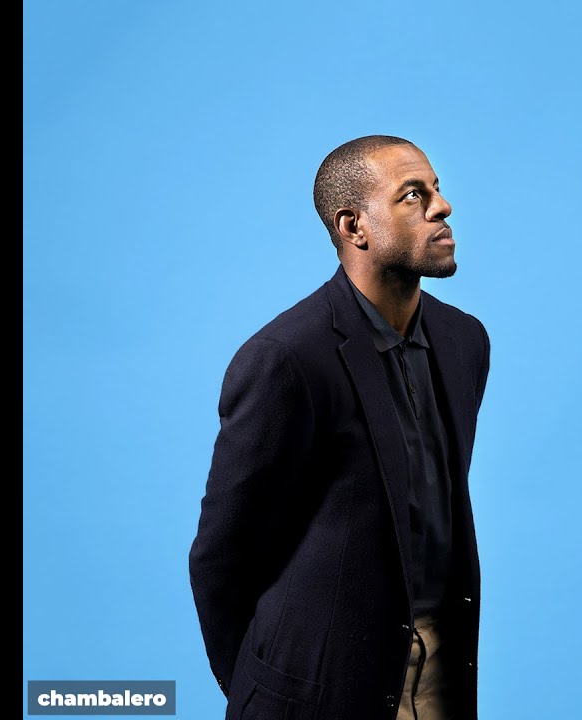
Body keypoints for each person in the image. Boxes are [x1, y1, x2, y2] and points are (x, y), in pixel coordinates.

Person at [189, 135, 491, 720]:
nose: (442, 206)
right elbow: (222, 557)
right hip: (318, 691)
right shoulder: (285, 359)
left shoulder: (465, 342)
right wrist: (261, 688)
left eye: (436, 189)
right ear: (354, 226)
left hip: (445, 679)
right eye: (412, 195)